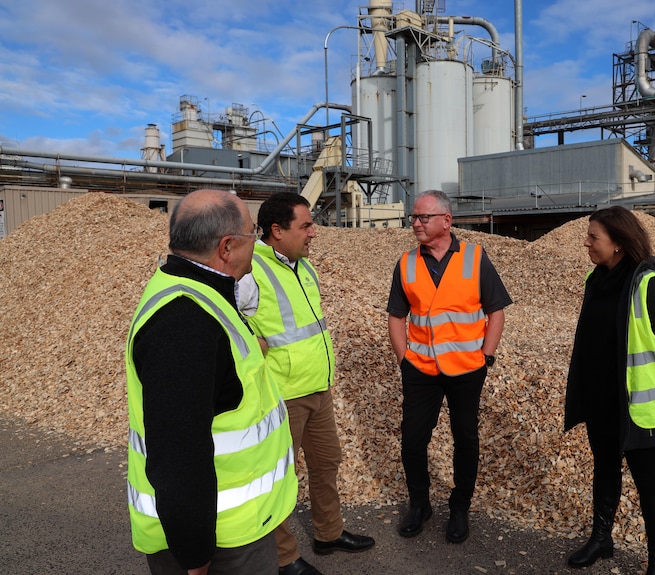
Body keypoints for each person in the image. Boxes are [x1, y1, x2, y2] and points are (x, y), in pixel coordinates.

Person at [125, 189, 298, 575]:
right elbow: (179, 456)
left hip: (232, 526)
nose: (257, 242)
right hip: (217, 543)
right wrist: (195, 558)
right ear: (226, 247)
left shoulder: (201, 294)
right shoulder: (184, 322)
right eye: (252, 233)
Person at [236, 192, 375, 575]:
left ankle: (328, 534)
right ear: (277, 231)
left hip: (317, 389)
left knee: (326, 463)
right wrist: (252, 341)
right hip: (282, 397)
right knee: (280, 477)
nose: (314, 233)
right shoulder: (251, 272)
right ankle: (283, 558)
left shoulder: (303, 267)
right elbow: (225, 322)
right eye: (306, 226)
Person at [563, 206, 655, 575]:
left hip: (639, 407)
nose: (586, 242)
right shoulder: (596, 279)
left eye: (593, 237)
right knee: (605, 469)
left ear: (618, 242)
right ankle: (602, 539)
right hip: (602, 400)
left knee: (649, 480)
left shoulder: (654, 286)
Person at [386, 190, 512, 544]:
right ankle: (420, 503)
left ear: (446, 220)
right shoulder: (407, 263)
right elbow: (396, 316)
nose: (416, 224)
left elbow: (496, 310)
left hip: (467, 369)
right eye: (413, 217)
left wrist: (486, 356)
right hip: (420, 370)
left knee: (466, 440)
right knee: (412, 440)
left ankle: (460, 508)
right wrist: (404, 359)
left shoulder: (475, 257)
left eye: (423, 218)